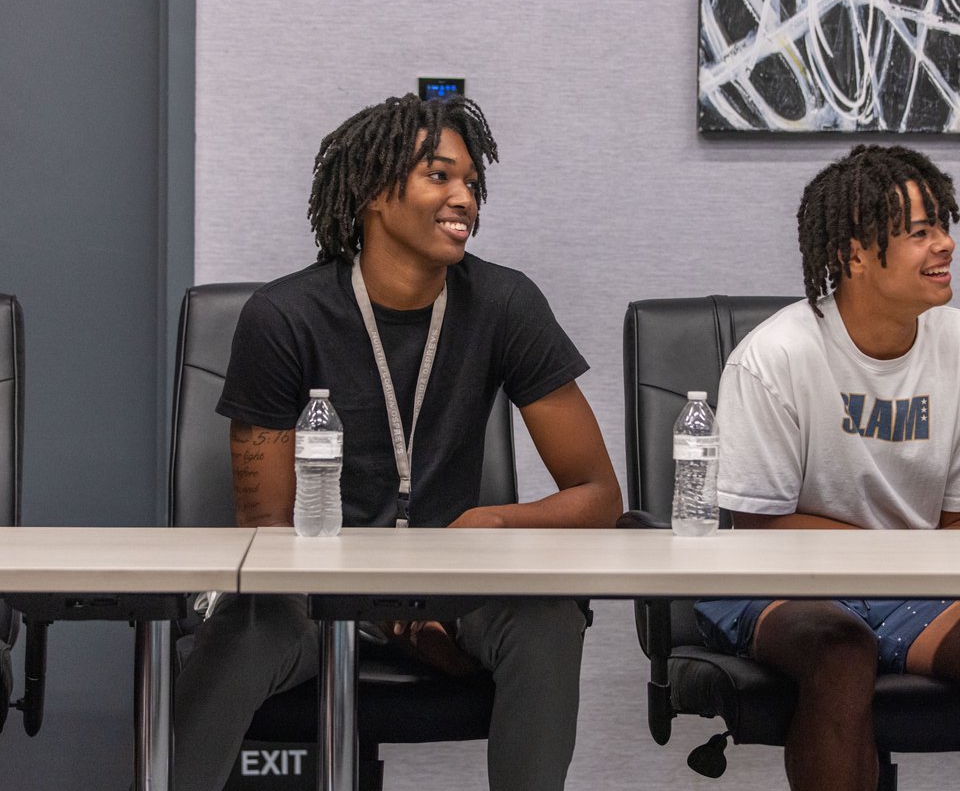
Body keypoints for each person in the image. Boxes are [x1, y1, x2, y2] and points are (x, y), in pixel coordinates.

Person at [172, 94, 623, 791]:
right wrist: (382, 600)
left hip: (456, 583)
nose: (464, 198)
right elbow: (265, 535)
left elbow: (598, 496)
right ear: (373, 194)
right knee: (243, 629)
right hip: (310, 593)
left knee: (548, 620)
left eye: (471, 182)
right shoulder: (283, 317)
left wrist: (491, 522)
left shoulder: (505, 305)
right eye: (438, 176)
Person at [696, 145, 960, 791]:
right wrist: (901, 556)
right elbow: (761, 534)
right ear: (854, 255)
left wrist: (900, 566)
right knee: (841, 650)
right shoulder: (774, 358)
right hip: (785, 584)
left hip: (916, 585)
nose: (945, 245)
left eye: (943, 226)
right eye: (920, 232)